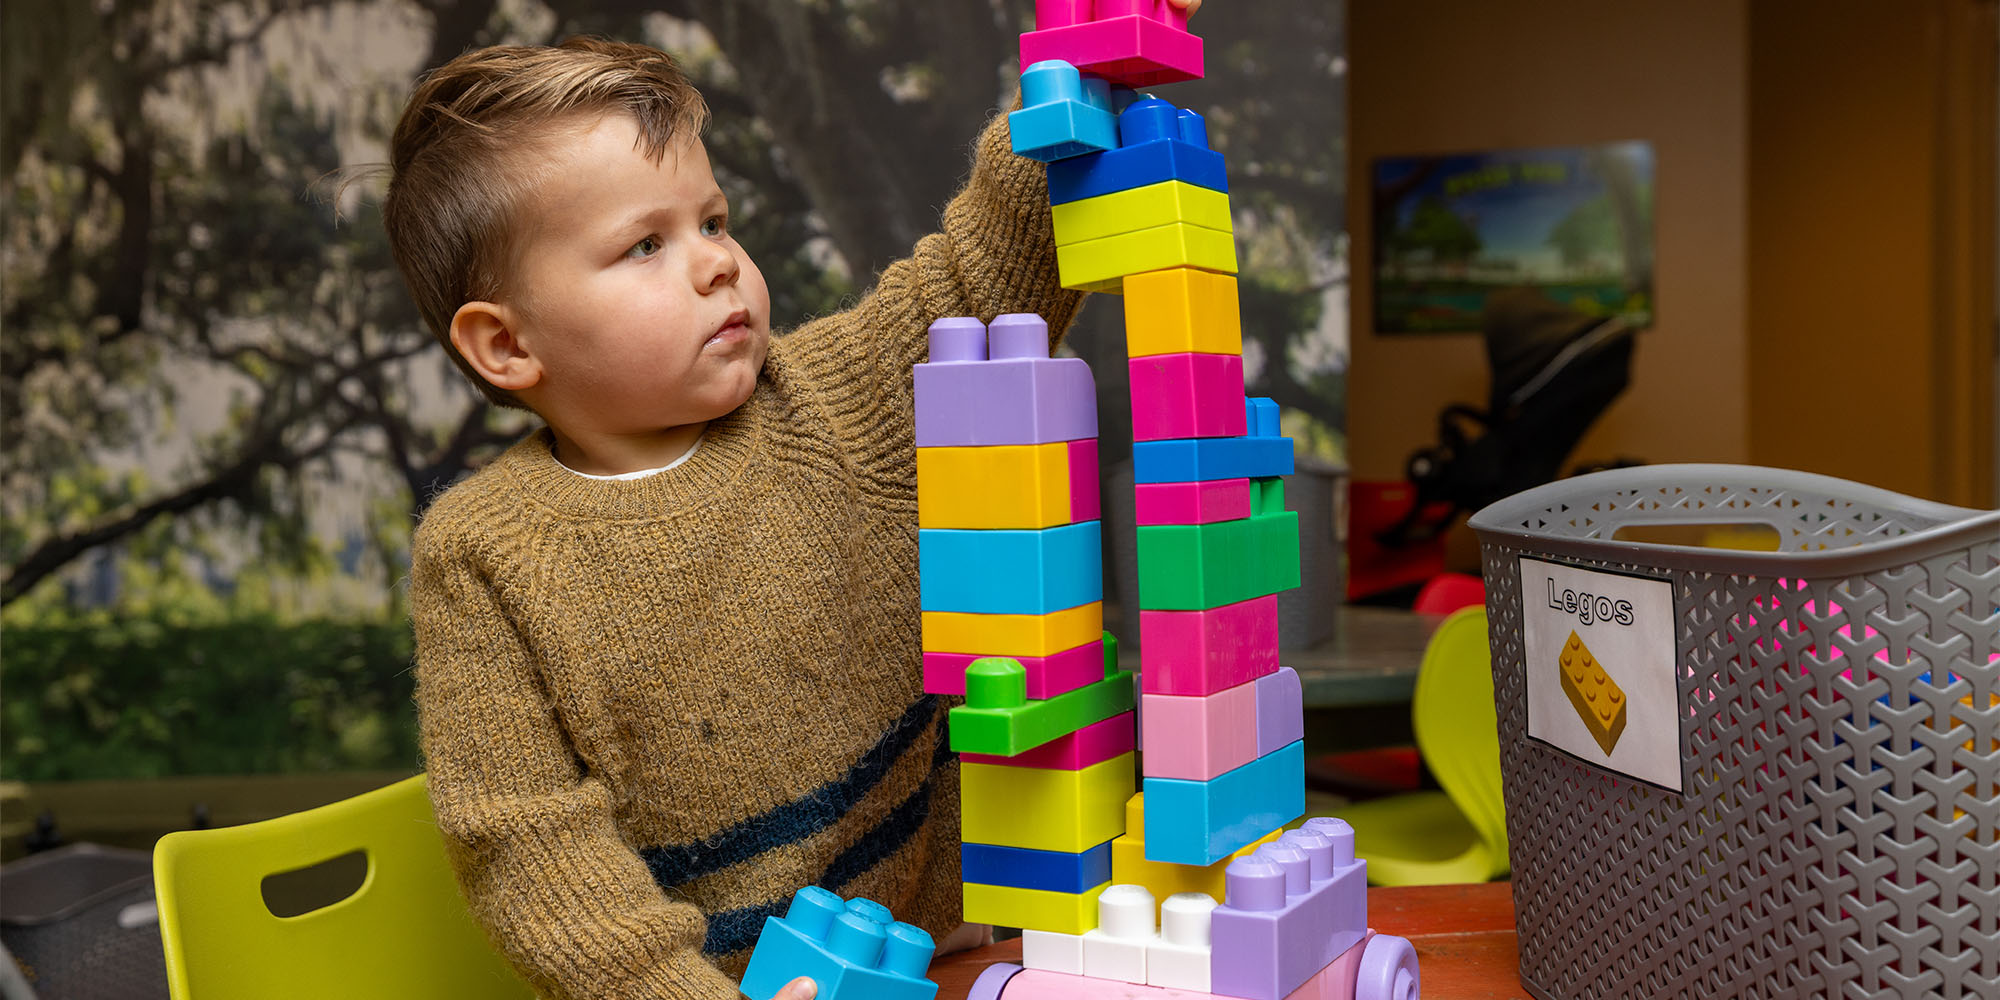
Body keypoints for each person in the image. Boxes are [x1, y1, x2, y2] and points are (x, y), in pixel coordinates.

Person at [380, 10, 1194, 994]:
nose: (717, 259)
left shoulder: (834, 395)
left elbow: (983, 264)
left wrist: (1080, 62)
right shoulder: (484, 553)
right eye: (643, 244)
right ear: (507, 346)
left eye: (712, 221)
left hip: (974, 952)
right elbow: (534, 852)